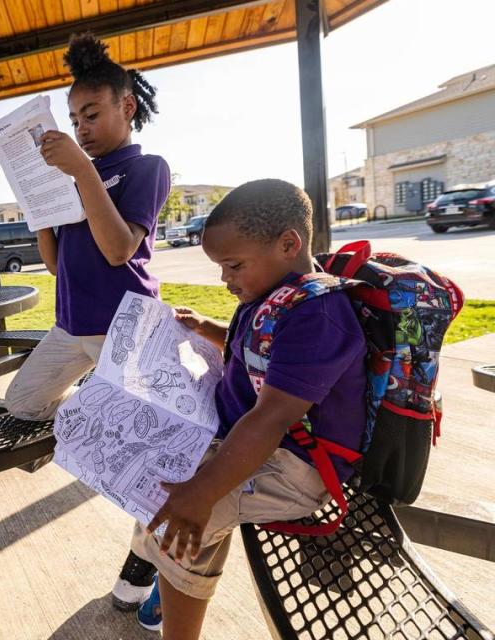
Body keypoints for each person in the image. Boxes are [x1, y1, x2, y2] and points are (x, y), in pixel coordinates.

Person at [129, 179, 367, 638]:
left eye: (233, 265)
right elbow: (254, 352)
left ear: (288, 244)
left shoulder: (316, 316)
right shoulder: (274, 297)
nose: (225, 278)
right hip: (253, 442)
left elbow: (271, 418)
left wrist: (200, 494)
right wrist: (208, 329)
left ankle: (176, 597)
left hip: (295, 465)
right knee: (155, 492)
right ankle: (170, 576)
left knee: (178, 526)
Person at [4, 32, 170, 428]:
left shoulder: (147, 168)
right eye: (75, 120)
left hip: (122, 323)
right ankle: (106, 409)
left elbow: (119, 250)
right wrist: (37, 208)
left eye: (92, 115)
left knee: (148, 426)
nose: (81, 129)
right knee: (22, 403)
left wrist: (80, 170)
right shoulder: (74, 176)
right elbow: (55, 266)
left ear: (127, 106)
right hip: (71, 323)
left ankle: (117, 411)